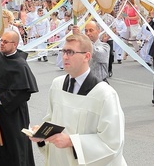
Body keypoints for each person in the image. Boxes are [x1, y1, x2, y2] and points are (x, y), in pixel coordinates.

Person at [29, 33, 126, 165]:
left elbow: (112, 142)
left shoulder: (104, 94)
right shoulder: (57, 85)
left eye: (70, 52)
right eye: (63, 51)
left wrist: (71, 141)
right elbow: (51, 120)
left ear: (86, 56)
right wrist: (42, 133)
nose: (64, 57)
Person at [0, 30, 39, 165]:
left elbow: (23, 92)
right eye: (1, 41)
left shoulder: (21, 64)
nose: (2, 44)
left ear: (14, 44)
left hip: (14, 113)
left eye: (5, 42)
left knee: (15, 147)